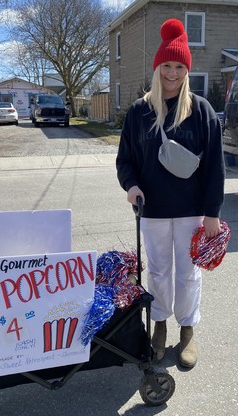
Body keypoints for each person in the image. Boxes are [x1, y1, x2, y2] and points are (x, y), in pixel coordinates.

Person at [116, 18, 225, 368]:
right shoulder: (139, 111)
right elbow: (125, 159)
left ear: (187, 70)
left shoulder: (201, 110)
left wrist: (213, 211)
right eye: (167, 65)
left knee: (188, 273)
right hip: (153, 211)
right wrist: (131, 185)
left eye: (179, 66)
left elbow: (215, 167)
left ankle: (188, 330)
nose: (173, 73)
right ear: (157, 67)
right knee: (159, 272)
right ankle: (160, 323)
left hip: (193, 211)